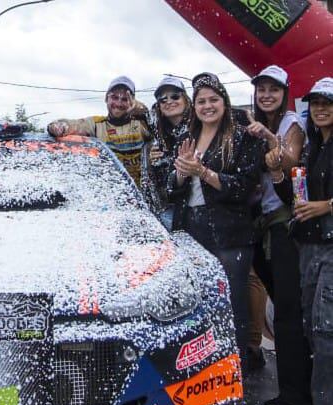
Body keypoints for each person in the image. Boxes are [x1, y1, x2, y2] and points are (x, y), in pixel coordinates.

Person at [168, 72, 262, 371]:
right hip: (190, 228)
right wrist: (182, 173)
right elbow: (172, 188)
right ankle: (205, 376)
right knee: (198, 306)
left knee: (231, 305)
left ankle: (236, 374)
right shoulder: (187, 137)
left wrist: (203, 172)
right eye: (201, 101)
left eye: (213, 100)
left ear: (225, 102)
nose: (207, 106)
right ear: (194, 106)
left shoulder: (242, 135)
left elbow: (244, 186)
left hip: (229, 231)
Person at [246, 65, 311, 405]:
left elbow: (291, 161)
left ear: (285, 93)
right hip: (263, 225)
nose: (266, 95)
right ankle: (292, 391)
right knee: (281, 305)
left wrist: (270, 140)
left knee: (288, 311)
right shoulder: (258, 124)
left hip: (286, 226)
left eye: (273, 89)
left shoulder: (290, 125)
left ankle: (296, 395)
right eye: (261, 89)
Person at [274, 77, 333, 405]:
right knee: (313, 328)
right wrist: (279, 172)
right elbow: (294, 195)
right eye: (315, 102)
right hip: (309, 246)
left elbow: (319, 203)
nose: (321, 108)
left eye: (328, 102)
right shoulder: (312, 148)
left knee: (327, 331)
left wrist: (327, 206)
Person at [47, 75, 151, 185]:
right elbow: (74, 125)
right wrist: (58, 127)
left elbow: (156, 124)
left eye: (125, 99)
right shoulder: (96, 124)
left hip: (141, 194)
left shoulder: (141, 123)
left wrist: (141, 110)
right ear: (106, 98)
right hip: (112, 192)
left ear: (132, 102)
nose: (119, 103)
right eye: (114, 97)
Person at [144, 76, 191, 228]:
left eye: (175, 96)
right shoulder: (158, 137)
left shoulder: (199, 127)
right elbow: (159, 184)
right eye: (163, 99)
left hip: (197, 209)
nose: (169, 101)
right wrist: (154, 164)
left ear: (186, 99)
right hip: (172, 212)